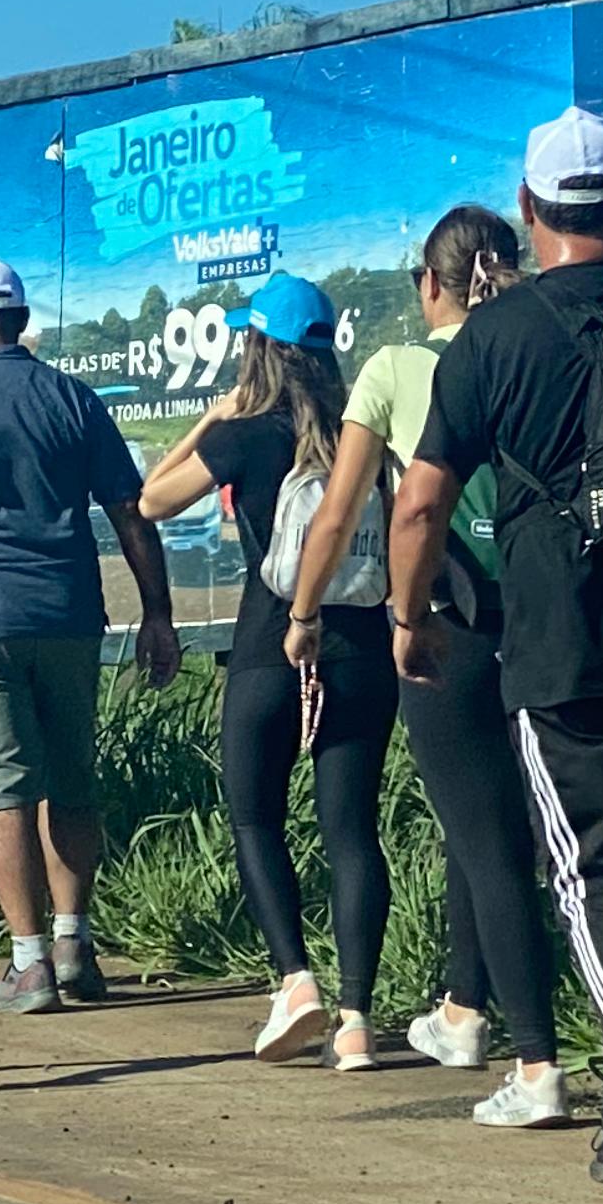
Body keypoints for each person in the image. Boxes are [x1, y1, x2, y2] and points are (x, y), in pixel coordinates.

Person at [392, 109, 603, 1204]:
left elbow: (422, 502)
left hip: (559, 646)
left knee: (596, 879)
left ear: (530, 210)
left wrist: (410, 615)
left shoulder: (495, 338)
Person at [296, 205, 576, 1110]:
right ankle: (462, 1009)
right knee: (495, 825)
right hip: (545, 615)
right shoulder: (539, 347)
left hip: (446, 618)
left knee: (485, 839)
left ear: (429, 283)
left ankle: (535, 1058)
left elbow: (342, 513)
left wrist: (305, 612)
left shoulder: (395, 368)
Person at [142, 273, 397, 1068]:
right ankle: (356, 1020)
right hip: (360, 646)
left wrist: (212, 418)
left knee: (256, 818)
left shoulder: (244, 433)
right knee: (351, 830)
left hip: (269, 644)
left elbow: (152, 500)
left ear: (258, 346)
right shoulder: (363, 433)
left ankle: (295, 980)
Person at [0, 256, 185, 1015]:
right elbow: (130, 511)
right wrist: (158, 613)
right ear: (21, 323)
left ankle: (28, 962)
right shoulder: (71, 397)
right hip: (70, 617)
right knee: (72, 781)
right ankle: (75, 941)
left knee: (3, 791)